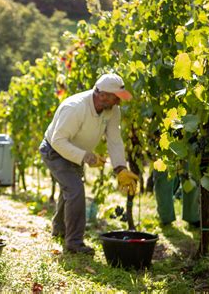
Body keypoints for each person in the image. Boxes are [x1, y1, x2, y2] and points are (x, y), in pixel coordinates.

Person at [39, 73, 139, 254]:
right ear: (103, 95)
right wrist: (87, 157)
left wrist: (120, 169)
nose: (119, 102)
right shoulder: (75, 107)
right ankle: (74, 243)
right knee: (75, 190)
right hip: (54, 150)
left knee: (70, 189)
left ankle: (59, 229)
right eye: (116, 98)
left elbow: (114, 140)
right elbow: (59, 141)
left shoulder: (112, 110)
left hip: (75, 150)